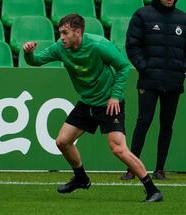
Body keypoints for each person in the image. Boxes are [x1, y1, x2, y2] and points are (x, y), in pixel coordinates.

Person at [23, 14, 163, 202]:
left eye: (65, 33)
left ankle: (152, 190)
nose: (61, 37)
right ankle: (81, 178)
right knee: (62, 142)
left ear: (78, 32)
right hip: (87, 102)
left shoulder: (99, 45)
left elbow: (123, 67)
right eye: (60, 33)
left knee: (118, 149)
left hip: (109, 104)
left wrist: (115, 96)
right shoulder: (60, 48)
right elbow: (36, 61)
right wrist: (28, 53)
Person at [120, 0, 186, 180]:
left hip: (174, 80)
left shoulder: (183, 18)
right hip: (149, 81)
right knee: (143, 122)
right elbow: (132, 45)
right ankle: (131, 169)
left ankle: (160, 169)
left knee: (167, 126)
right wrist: (145, 68)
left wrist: (183, 71)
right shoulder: (142, 15)